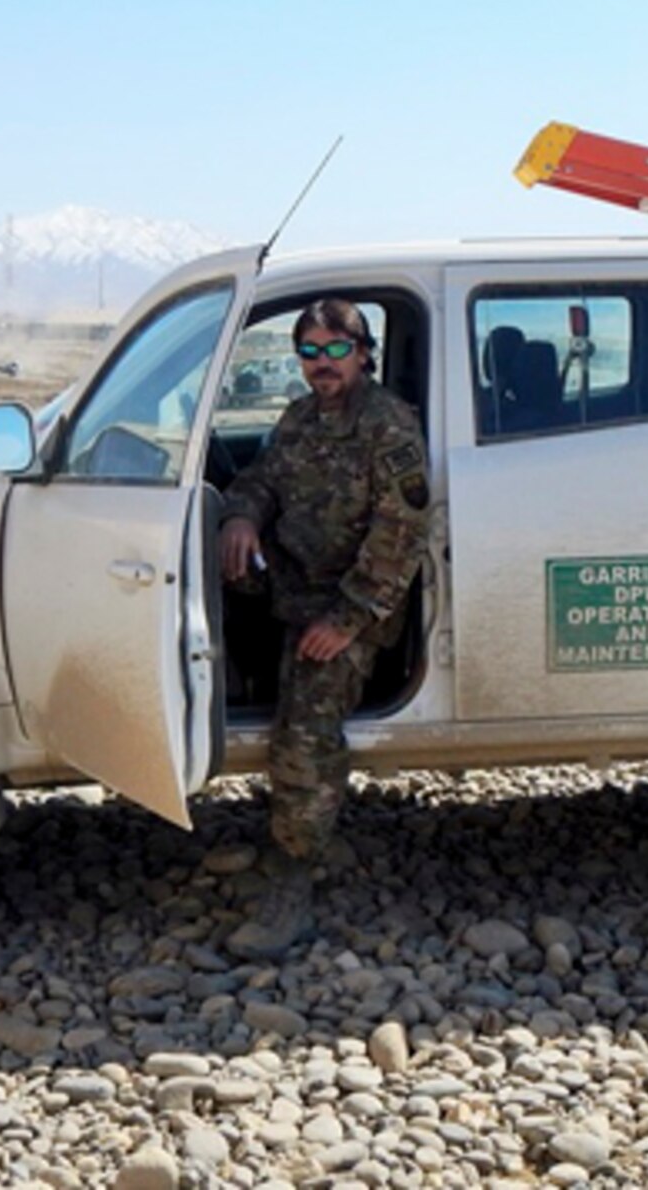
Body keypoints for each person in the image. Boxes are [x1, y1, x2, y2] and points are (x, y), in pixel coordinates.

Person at [218, 298, 429, 956]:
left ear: (363, 353)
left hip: (351, 607)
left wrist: (348, 620)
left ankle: (294, 874)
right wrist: (242, 516)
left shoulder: (386, 427)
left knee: (304, 730)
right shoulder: (301, 418)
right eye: (309, 352)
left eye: (336, 350)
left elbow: (403, 530)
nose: (321, 364)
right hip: (295, 585)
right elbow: (260, 477)